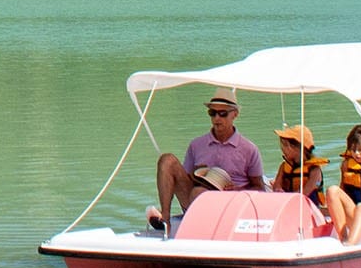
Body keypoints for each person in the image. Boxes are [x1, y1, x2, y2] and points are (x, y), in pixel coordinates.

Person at [149, 90, 266, 231]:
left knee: (199, 192)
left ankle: (198, 225)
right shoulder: (197, 144)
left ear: (235, 114)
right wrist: (195, 175)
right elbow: (184, 180)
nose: (217, 118)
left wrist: (238, 190)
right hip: (195, 201)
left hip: (230, 205)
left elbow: (260, 189)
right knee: (166, 160)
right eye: (212, 113)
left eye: (223, 114)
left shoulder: (249, 149)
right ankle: (165, 218)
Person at [273, 124, 347, 238]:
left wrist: (290, 199)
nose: (282, 149)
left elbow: (305, 191)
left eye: (286, 146)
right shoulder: (284, 166)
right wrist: (278, 190)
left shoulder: (314, 170)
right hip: (287, 205)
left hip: (310, 209)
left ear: (299, 148)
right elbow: (277, 184)